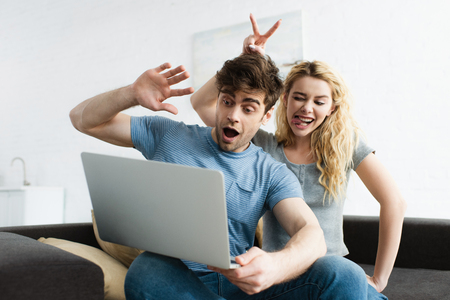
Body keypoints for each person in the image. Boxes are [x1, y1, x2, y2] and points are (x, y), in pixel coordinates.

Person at [70, 54, 382, 299]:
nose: (233, 115)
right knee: (147, 268)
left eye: (248, 108)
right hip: (181, 281)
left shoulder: (272, 171)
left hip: (243, 285)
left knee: (344, 273)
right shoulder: (167, 135)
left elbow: (310, 234)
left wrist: (275, 266)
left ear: (266, 115)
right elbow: (83, 121)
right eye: (228, 101)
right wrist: (130, 94)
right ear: (218, 100)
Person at [191, 13, 407, 295]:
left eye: (319, 101)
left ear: (331, 108)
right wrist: (246, 59)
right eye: (299, 97)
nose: (307, 108)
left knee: (352, 280)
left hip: (331, 275)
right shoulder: (263, 144)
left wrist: (380, 279)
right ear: (284, 99)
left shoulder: (346, 144)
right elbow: (200, 103)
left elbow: (394, 202)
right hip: (280, 277)